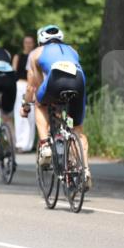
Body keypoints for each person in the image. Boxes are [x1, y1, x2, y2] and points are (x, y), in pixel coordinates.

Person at [21, 24, 91, 189]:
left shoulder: (36, 53)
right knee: (76, 128)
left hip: (55, 80)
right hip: (79, 82)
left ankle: (45, 145)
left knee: (40, 104)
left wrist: (26, 105)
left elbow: (34, 85)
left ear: (40, 40)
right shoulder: (73, 50)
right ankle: (85, 170)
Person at [12, 35, 37, 152]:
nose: (28, 44)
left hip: (31, 86)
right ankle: (19, 143)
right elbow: (13, 72)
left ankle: (28, 144)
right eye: (26, 42)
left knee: (31, 115)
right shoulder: (18, 57)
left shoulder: (35, 56)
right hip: (20, 85)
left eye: (30, 42)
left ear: (33, 43)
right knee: (19, 114)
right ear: (23, 43)